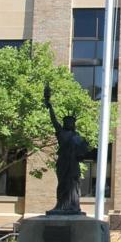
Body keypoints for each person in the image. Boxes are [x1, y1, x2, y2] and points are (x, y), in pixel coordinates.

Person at [43, 84, 96, 215]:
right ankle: (60, 206)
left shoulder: (77, 137)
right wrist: (49, 106)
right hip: (63, 163)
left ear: (73, 124)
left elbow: (84, 151)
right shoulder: (61, 132)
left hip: (73, 165)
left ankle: (73, 206)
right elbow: (54, 120)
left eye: (70, 122)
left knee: (73, 185)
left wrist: (83, 152)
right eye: (66, 121)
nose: (68, 123)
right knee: (62, 185)